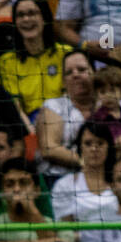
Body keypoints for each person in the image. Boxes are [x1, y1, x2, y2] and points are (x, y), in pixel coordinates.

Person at [0, 0, 73, 118]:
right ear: (15, 22)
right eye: (20, 15)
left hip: (65, 117)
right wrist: (31, 131)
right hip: (31, 122)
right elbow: (16, 107)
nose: (26, 19)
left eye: (32, 13)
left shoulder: (65, 53)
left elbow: (71, 96)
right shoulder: (7, 61)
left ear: (44, 18)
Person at [36, 48, 97, 183]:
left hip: (103, 179)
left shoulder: (109, 106)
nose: (75, 75)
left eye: (81, 70)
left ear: (95, 73)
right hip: (57, 178)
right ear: (63, 82)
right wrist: (89, 163)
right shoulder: (53, 106)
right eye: (69, 72)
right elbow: (49, 149)